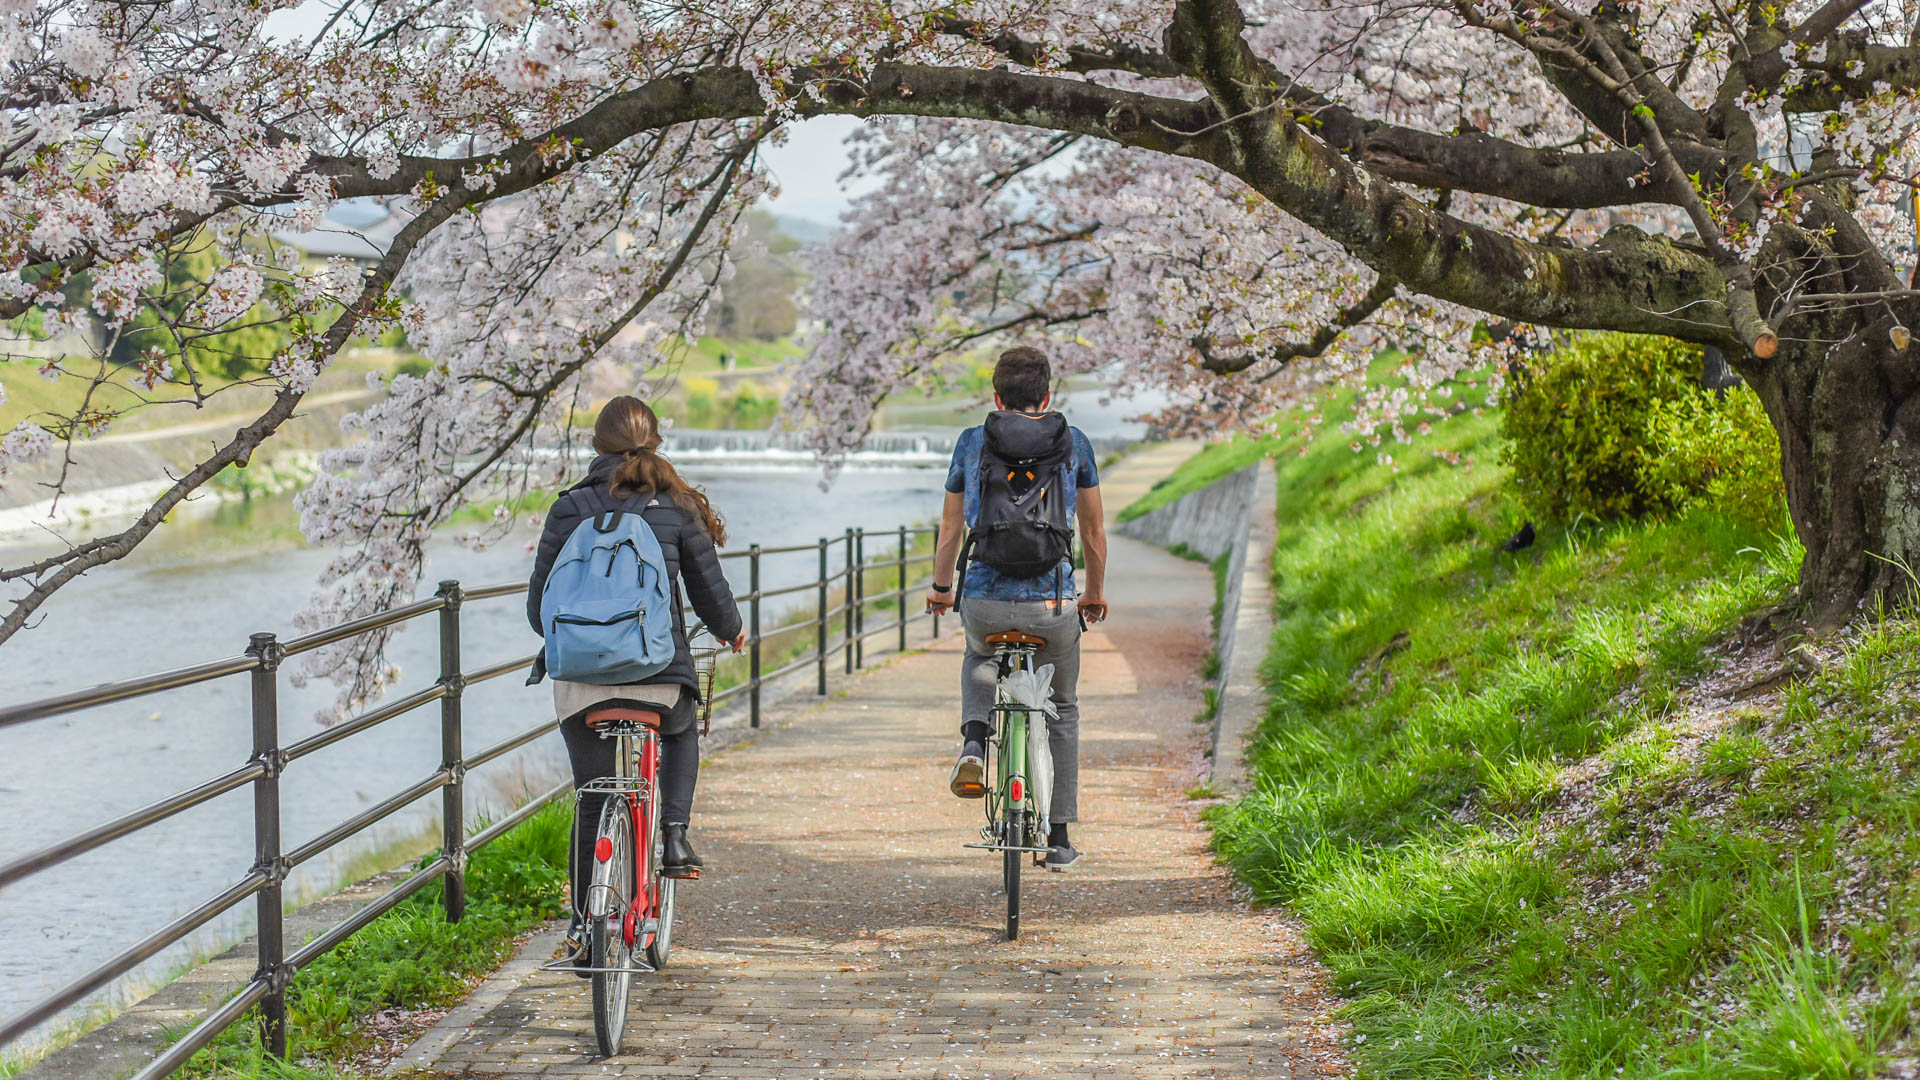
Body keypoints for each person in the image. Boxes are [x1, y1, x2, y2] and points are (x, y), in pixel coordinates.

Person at [526, 395, 744, 963]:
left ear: (595, 447)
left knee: (591, 796)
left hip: (578, 682)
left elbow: (537, 610)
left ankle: (581, 927)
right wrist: (732, 631)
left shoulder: (569, 508)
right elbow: (709, 593)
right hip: (656, 673)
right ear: (655, 444)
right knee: (679, 730)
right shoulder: (673, 506)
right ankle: (673, 833)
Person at [925, 346, 1107, 871]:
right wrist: (1093, 593)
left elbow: (950, 528)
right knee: (1063, 706)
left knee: (978, 655)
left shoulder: (970, 442)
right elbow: (1093, 531)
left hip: (983, 599)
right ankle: (1059, 835)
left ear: (996, 397)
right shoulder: (1076, 443)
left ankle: (975, 745)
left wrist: (942, 588)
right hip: (1052, 602)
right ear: (1048, 396)